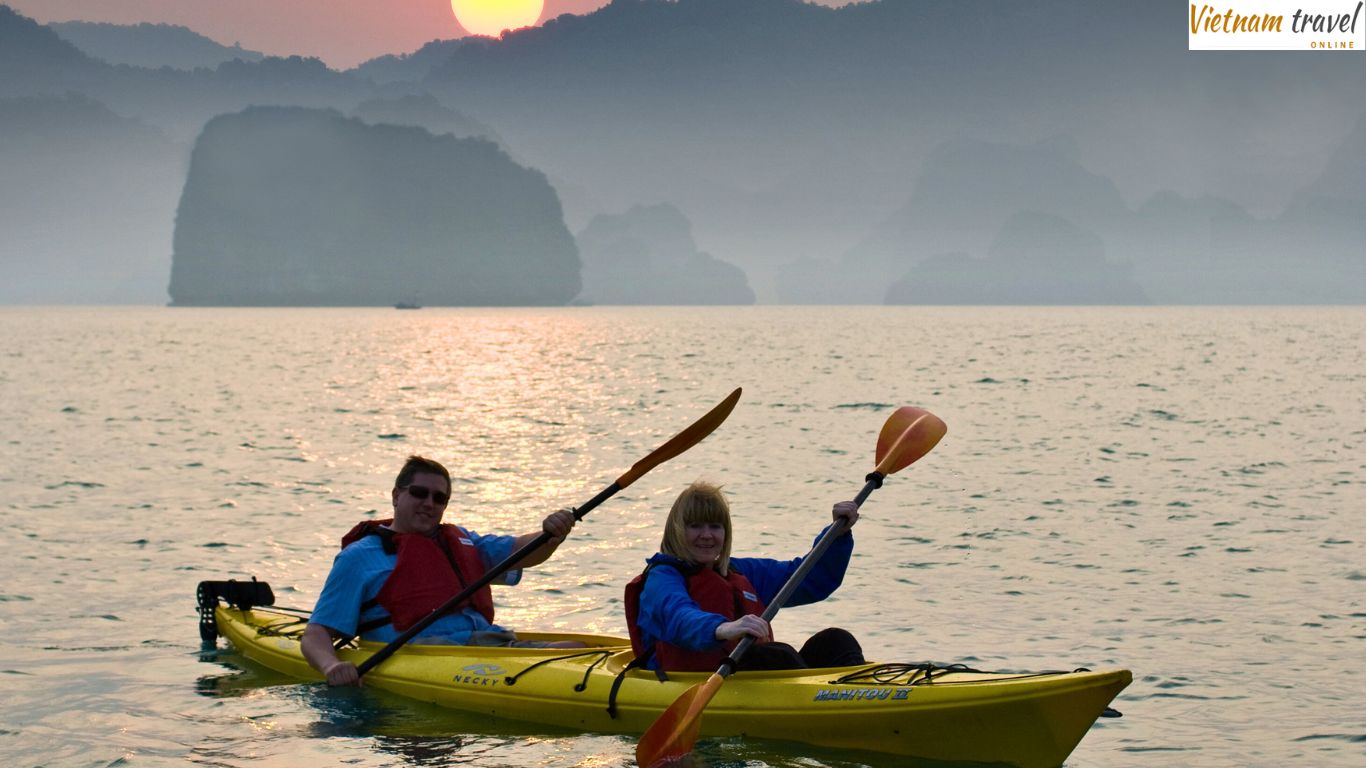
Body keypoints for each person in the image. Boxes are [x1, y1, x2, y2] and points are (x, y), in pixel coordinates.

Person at [301, 455, 579, 686]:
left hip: (488, 645)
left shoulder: (462, 542)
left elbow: (523, 550)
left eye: (439, 498)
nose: (429, 503)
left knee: (576, 651)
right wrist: (331, 667)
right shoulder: (359, 558)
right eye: (420, 493)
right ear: (397, 496)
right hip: (426, 658)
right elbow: (316, 633)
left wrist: (552, 535)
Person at [624, 480, 866, 673]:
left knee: (835, 640)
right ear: (677, 530)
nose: (707, 535)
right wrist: (724, 628)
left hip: (744, 673)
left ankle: (866, 698)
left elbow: (810, 579)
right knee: (775, 656)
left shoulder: (740, 572)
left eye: (715, 526)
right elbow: (679, 617)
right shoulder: (662, 579)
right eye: (695, 526)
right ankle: (829, 712)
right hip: (688, 679)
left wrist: (837, 535)